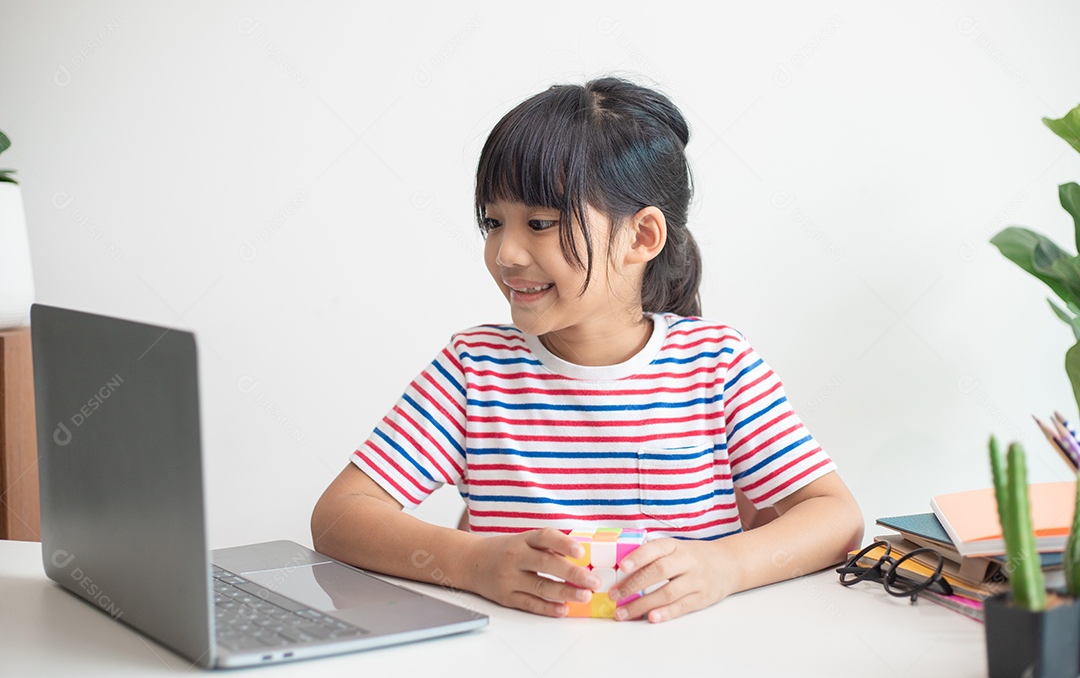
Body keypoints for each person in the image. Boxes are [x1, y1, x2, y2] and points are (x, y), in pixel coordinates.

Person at [312, 77, 863, 623]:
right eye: (493, 222)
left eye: (540, 223)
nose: (506, 253)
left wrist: (726, 566)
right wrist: (473, 562)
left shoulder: (717, 366)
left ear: (642, 237)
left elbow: (835, 516)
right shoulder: (473, 369)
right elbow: (338, 517)